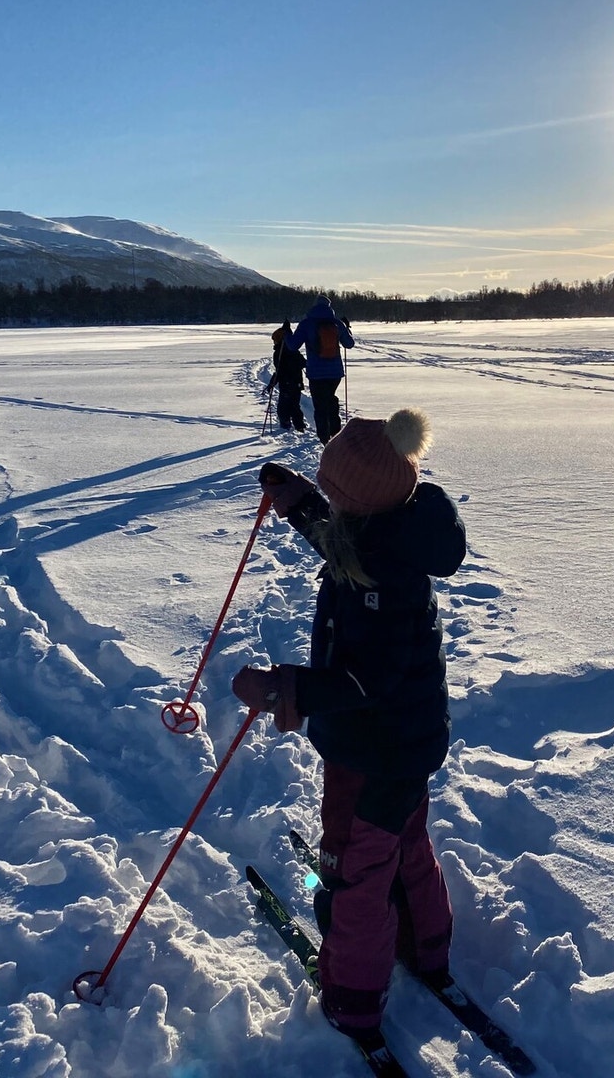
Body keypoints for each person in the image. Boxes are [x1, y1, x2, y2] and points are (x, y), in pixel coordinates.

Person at [231, 408, 465, 1051]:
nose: (328, 501)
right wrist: (299, 501)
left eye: (333, 491)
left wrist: (284, 689)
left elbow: (367, 682)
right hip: (405, 744)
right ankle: (427, 947)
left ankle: (355, 1002)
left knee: (356, 870)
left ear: (361, 501)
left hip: (373, 749)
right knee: (403, 842)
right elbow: (343, 539)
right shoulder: (392, 529)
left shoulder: (382, 583)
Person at [286, 294, 355, 443]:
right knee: (330, 399)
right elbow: (349, 344)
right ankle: (336, 434)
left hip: (316, 372)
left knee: (320, 404)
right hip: (335, 373)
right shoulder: (337, 324)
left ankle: (324, 438)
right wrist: (347, 329)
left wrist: (287, 334)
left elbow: (292, 346)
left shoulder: (306, 323)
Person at [265, 321, 308, 433]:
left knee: (283, 407)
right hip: (297, 382)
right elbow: (304, 363)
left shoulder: (279, 352)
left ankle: (285, 426)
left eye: (274, 340)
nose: (274, 343)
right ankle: (299, 426)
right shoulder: (293, 350)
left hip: (286, 383)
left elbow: (279, 371)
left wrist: (271, 384)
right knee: (295, 405)